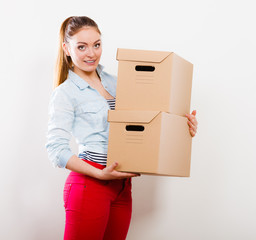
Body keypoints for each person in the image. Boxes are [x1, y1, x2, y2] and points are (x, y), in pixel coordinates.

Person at [45, 16, 198, 240]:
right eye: (82, 46)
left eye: (97, 44)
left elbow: (148, 120)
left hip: (122, 187)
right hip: (89, 185)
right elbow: (55, 150)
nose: (92, 53)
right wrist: (99, 173)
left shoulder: (118, 82)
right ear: (66, 48)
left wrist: (182, 127)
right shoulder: (65, 93)